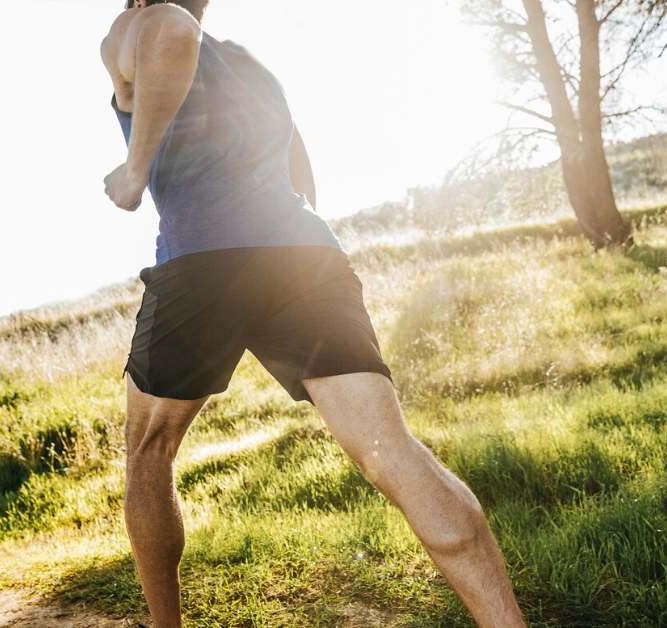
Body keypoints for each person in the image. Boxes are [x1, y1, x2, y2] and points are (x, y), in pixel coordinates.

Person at [100, 1, 528, 626]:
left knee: (149, 449)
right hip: (304, 256)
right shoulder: (250, 66)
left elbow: (167, 30)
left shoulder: (141, 22)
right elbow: (301, 173)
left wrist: (136, 171)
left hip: (202, 261)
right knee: (394, 452)